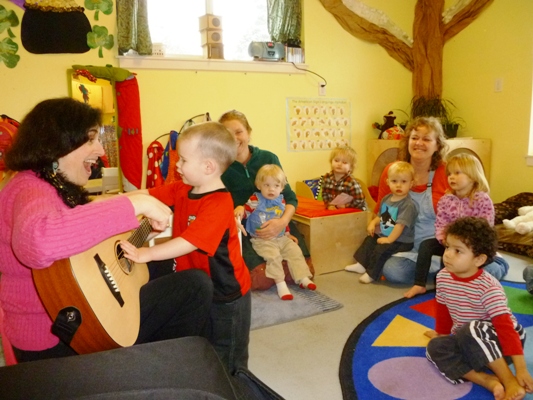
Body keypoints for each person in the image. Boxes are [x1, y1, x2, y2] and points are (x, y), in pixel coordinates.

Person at [0, 97, 213, 363]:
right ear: (58, 143)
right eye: (91, 140)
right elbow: (37, 243)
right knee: (194, 288)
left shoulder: (50, 183)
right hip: (59, 337)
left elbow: (78, 240)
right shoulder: (30, 188)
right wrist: (136, 202)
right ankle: (169, 370)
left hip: (77, 313)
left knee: (165, 263)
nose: (101, 150)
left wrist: (142, 233)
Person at [119, 121, 251, 375]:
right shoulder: (184, 188)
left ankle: (234, 388)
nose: (176, 165)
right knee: (204, 344)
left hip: (227, 294)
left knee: (228, 357)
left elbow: (189, 242)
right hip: (199, 286)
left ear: (208, 166)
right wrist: (105, 204)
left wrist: (146, 253)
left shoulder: (219, 202)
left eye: (183, 160)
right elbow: (146, 195)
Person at [371, 116, 506, 286]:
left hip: (445, 244)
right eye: (414, 138)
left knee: (483, 269)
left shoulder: (447, 173)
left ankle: (493, 264)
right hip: (410, 246)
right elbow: (385, 212)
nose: (419, 143)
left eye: (426, 139)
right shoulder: (393, 171)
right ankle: (445, 274)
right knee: (393, 271)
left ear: (437, 145)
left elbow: (465, 209)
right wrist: (388, 239)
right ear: (407, 142)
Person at [425, 217, 533, 399]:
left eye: (458, 251)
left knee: (471, 328)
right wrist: (442, 335)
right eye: (447, 247)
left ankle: (509, 380)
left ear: (479, 259)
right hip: (470, 343)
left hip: (503, 342)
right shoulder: (443, 277)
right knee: (435, 347)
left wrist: (521, 369)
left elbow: (505, 327)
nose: (448, 254)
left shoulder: (488, 287)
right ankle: (486, 380)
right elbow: (443, 309)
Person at [218, 110, 310, 273]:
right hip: (246, 229)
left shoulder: (268, 158)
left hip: (278, 222)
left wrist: (282, 222)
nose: (234, 138)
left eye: (239, 132)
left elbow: (290, 198)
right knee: (261, 277)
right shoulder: (220, 166)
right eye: (227, 134)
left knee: (304, 269)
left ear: (249, 133)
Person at [404, 153, 504, 298]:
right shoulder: (446, 199)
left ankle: (500, 265)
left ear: (472, 176)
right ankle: (419, 284)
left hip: (473, 247)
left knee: (486, 272)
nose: (451, 177)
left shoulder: (482, 200)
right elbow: (441, 222)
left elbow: (485, 228)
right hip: (450, 243)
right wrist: (443, 239)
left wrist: (466, 245)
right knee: (426, 246)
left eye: (457, 173)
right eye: (449, 173)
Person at [240, 164, 316, 300]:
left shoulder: (281, 201)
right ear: (259, 185)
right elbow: (244, 213)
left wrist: (287, 234)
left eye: (276, 186)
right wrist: (239, 211)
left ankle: (302, 278)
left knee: (295, 252)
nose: (271, 189)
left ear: (281, 188)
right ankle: (280, 284)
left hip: (281, 237)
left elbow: (282, 219)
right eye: (267, 185)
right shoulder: (255, 200)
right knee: (273, 257)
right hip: (262, 240)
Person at [345, 161, 417, 283]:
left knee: (381, 249)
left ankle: (372, 274)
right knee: (369, 240)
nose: (399, 185)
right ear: (387, 182)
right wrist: (373, 223)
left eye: (403, 182)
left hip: (401, 240)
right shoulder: (387, 199)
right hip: (387, 234)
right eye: (394, 181)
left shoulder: (408, 205)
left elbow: (400, 226)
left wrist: (388, 240)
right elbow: (382, 216)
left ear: (411, 184)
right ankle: (361, 264)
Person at [321, 146, 367, 211]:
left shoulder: (352, 182)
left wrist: (345, 206)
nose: (339, 164)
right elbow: (324, 194)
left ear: (351, 167)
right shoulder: (326, 178)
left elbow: (359, 200)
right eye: (336, 160)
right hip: (334, 211)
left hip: (354, 212)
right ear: (331, 162)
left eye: (344, 162)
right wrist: (329, 205)